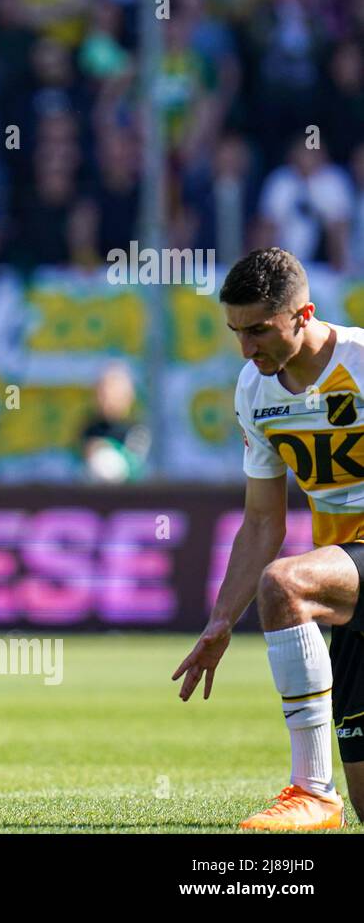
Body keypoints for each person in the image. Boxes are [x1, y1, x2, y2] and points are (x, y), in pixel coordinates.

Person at [173, 246, 364, 830]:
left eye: (258, 330)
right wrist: (220, 621)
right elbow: (262, 522)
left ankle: (312, 792)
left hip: (347, 569)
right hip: (349, 581)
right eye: (236, 332)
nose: (246, 348)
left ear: (303, 315)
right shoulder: (255, 392)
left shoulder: (360, 361)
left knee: (284, 585)